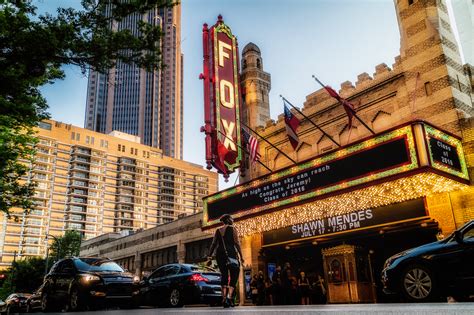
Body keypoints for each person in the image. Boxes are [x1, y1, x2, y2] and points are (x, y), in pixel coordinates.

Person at [208, 214, 244, 308]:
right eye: (232, 218)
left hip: (220, 255)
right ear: (228, 220)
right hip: (231, 254)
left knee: (224, 275)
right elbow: (237, 243)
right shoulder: (233, 229)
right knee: (234, 274)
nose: (233, 220)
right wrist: (241, 256)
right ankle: (229, 297)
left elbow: (213, 244)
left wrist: (209, 256)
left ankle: (224, 298)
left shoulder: (218, 231)